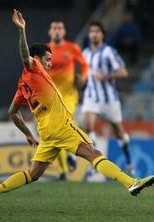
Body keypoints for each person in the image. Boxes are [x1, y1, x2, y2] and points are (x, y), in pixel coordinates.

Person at [0, 10, 154, 209]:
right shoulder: (33, 67)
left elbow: (12, 112)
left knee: (33, 174)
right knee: (95, 154)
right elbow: (25, 56)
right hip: (61, 127)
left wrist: (28, 135)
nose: (50, 64)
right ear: (37, 59)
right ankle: (131, 183)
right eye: (47, 59)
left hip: (46, 133)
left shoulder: (22, 85)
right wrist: (22, 31)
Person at [81, 21, 134, 176]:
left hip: (109, 99)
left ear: (102, 34)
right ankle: (96, 162)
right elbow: (86, 75)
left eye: (97, 31)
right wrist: (82, 80)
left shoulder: (109, 52)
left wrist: (105, 76)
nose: (94, 34)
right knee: (88, 127)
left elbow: (124, 72)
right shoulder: (85, 53)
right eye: (91, 31)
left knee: (118, 132)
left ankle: (129, 161)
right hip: (91, 97)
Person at [47, 20, 88, 180]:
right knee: (54, 133)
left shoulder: (72, 48)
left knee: (62, 126)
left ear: (63, 32)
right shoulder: (45, 50)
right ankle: (64, 170)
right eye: (54, 28)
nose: (57, 31)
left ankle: (69, 157)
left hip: (69, 96)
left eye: (60, 28)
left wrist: (83, 77)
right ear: (50, 32)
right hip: (51, 98)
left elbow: (84, 64)